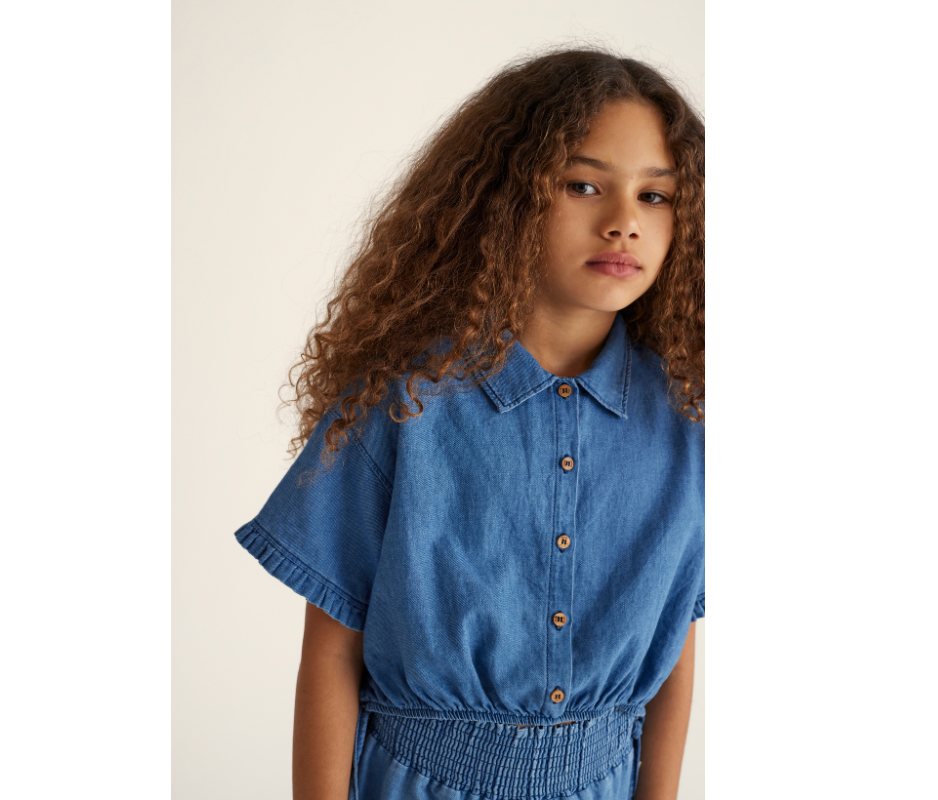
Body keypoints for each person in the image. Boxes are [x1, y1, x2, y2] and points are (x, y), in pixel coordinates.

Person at [233, 46, 704, 800]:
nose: (623, 223)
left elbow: (674, 649)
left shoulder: (691, 421)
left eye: (655, 195)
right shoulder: (405, 401)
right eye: (583, 185)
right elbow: (330, 653)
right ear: (507, 198)